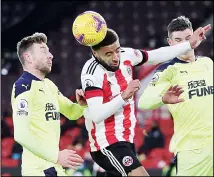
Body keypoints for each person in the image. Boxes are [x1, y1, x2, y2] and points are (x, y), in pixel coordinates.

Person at [79, 23, 210, 176]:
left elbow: (157, 55)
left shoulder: (126, 54)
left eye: (117, 50)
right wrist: (123, 96)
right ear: (95, 53)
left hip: (126, 139)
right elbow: (96, 114)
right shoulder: (91, 72)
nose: (116, 57)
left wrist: (189, 44)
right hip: (107, 143)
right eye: (108, 54)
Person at [138, 16, 213, 176]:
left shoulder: (208, 63)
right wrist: (162, 99)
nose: (184, 44)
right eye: (178, 40)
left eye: (188, 38)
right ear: (170, 43)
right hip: (192, 151)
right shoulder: (167, 69)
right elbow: (143, 102)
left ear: (194, 37)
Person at [11, 32, 86, 176]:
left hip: (53, 167)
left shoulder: (49, 85)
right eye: (44, 51)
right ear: (28, 57)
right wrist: (56, 156)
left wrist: (81, 104)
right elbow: (20, 134)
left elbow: (72, 113)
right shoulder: (23, 86)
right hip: (38, 170)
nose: (50, 55)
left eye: (49, 51)